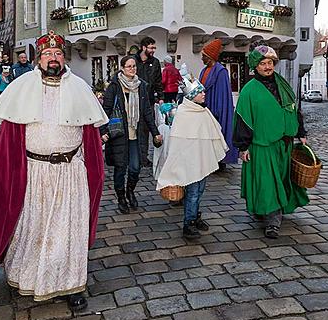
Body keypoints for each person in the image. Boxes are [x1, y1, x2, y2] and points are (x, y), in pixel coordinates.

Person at [0, 31, 107, 312]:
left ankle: (71, 284)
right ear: (39, 59)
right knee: (33, 228)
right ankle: (25, 276)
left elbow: (90, 134)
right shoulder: (22, 86)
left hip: (70, 173)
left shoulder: (80, 87)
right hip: (34, 172)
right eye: (48, 54)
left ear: (64, 58)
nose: (54, 58)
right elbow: (9, 140)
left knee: (68, 231)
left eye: (58, 54)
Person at [233, 45, 309, 239]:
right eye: (263, 63)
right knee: (268, 183)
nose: (268, 67)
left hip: (284, 144)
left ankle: (266, 210)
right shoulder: (249, 90)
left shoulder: (282, 84)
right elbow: (243, 119)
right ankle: (272, 222)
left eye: (270, 63)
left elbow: (294, 108)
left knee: (281, 181)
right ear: (255, 67)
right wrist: (243, 147)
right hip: (262, 145)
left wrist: (300, 132)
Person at [157, 73, 228, 238]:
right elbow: (178, 143)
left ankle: (195, 217)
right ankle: (188, 223)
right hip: (190, 162)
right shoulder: (183, 113)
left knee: (200, 190)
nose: (204, 94)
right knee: (193, 192)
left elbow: (211, 133)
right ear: (191, 95)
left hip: (201, 159)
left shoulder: (203, 111)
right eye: (200, 92)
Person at [101, 55, 162, 214]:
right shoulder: (114, 87)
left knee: (135, 168)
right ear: (122, 68)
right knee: (120, 169)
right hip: (119, 134)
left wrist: (155, 132)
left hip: (136, 134)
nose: (132, 69)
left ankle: (130, 191)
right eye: (129, 66)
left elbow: (147, 111)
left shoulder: (141, 86)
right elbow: (105, 110)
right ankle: (121, 197)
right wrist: (103, 131)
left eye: (134, 66)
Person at [199, 39, 238, 171]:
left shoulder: (221, 72)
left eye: (204, 56)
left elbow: (222, 95)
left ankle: (220, 161)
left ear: (210, 57)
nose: (202, 58)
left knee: (218, 135)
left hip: (216, 109)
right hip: (205, 108)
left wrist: (217, 111)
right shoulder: (204, 71)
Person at [134, 37, 164, 162]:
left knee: (146, 128)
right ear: (143, 47)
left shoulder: (155, 62)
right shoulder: (133, 60)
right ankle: (134, 155)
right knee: (134, 128)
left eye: (154, 48)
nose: (153, 50)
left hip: (149, 100)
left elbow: (158, 81)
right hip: (134, 100)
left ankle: (143, 157)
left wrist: (161, 97)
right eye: (151, 48)